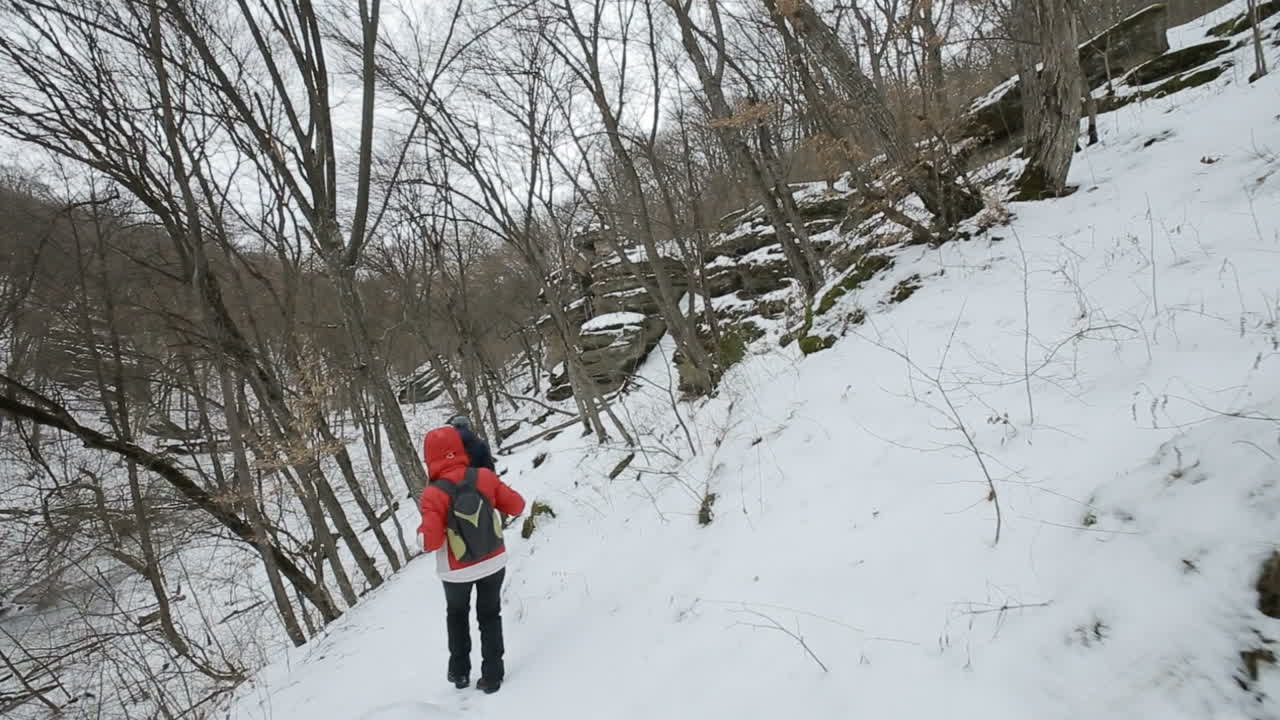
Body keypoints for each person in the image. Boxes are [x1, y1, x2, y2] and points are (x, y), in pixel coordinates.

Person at [418, 424, 525, 694]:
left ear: (429, 457)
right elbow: (517, 505)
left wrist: (421, 534)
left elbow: (429, 542)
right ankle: (492, 677)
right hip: (493, 561)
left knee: (457, 615)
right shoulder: (484, 477)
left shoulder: (432, 494)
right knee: (490, 615)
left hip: (456, 572)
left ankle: (460, 672)